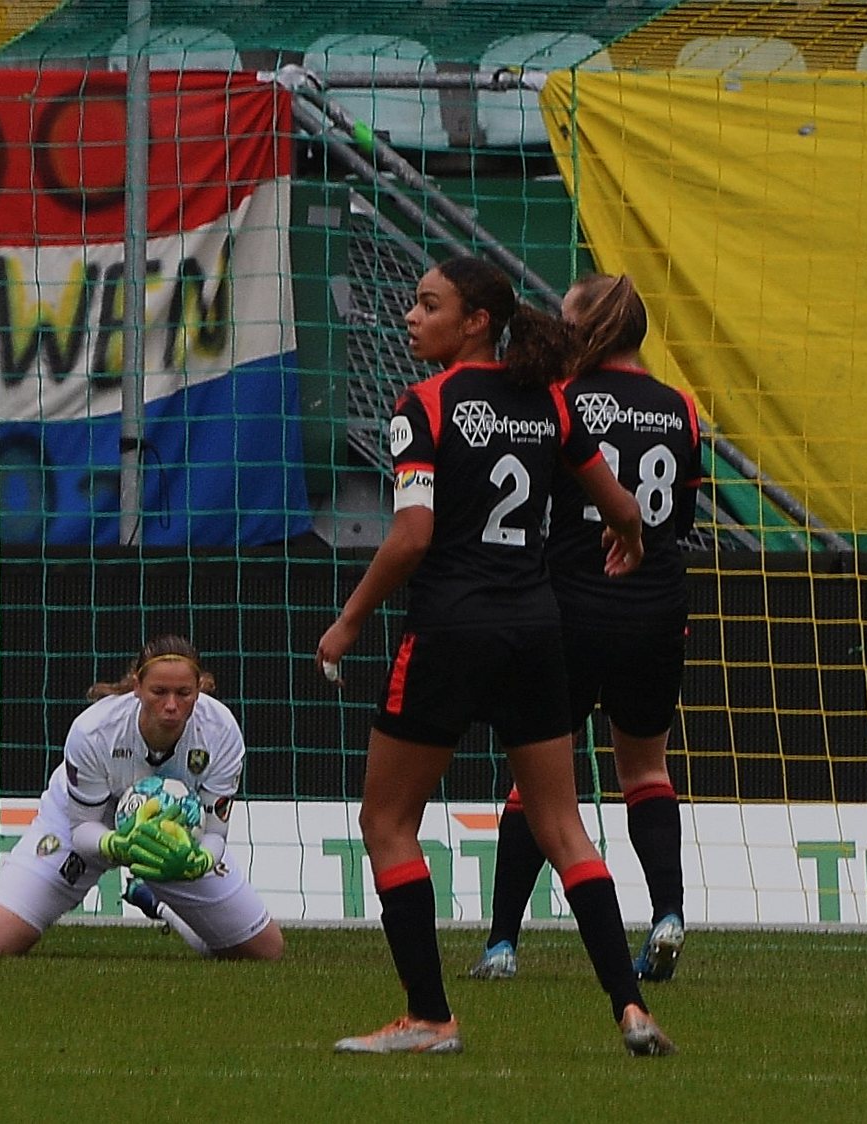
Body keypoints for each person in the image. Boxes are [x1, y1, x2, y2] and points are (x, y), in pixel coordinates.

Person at [316, 256, 676, 1056]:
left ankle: (430, 1018)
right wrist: (626, 536)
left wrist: (346, 622)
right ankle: (629, 1006)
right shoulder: (549, 399)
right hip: (536, 629)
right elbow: (619, 502)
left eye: (427, 304)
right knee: (563, 826)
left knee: (387, 819)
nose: (411, 316)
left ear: (476, 320)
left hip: (451, 628)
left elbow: (410, 536)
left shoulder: (425, 405)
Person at [468, 273, 702, 984]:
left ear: (592, 327)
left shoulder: (560, 401)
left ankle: (503, 943)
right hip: (657, 604)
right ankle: (667, 914)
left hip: (569, 604)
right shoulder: (681, 407)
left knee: (540, 780)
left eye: (569, 317)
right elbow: (680, 522)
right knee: (646, 769)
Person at [0, 635, 285, 961]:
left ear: (199, 689)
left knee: (265, 951)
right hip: (87, 823)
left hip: (172, 838)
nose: (172, 705)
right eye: (159, 692)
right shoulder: (93, 731)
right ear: (137, 686)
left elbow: (215, 833)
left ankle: (157, 902)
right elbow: (81, 829)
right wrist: (120, 844)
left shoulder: (222, 732)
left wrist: (199, 860)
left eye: (184, 693)